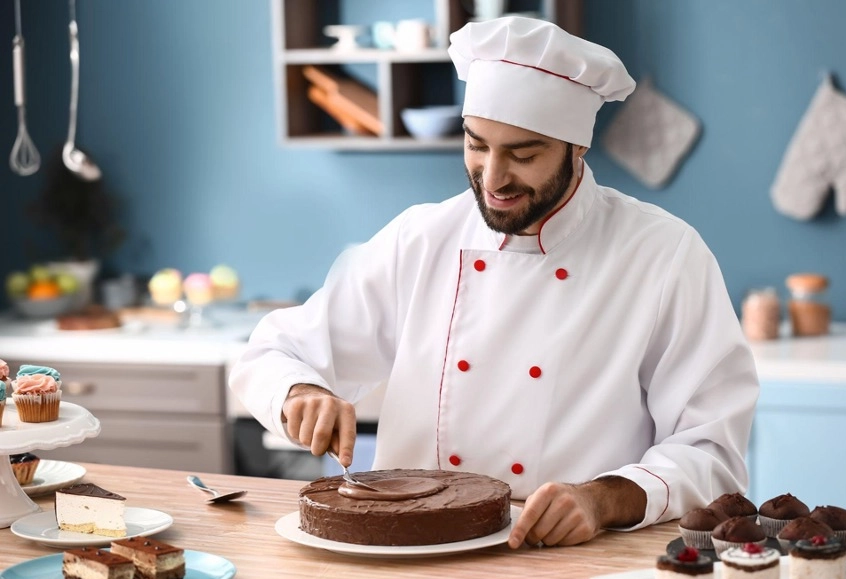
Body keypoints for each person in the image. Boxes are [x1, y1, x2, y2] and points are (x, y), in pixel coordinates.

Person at [229, 16, 759, 548]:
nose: (493, 178)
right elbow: (271, 351)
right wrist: (299, 392)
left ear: (578, 149)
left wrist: (604, 499)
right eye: (477, 145)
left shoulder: (662, 254)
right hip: (412, 555)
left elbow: (711, 451)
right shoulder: (420, 238)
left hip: (569, 560)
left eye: (523, 155)